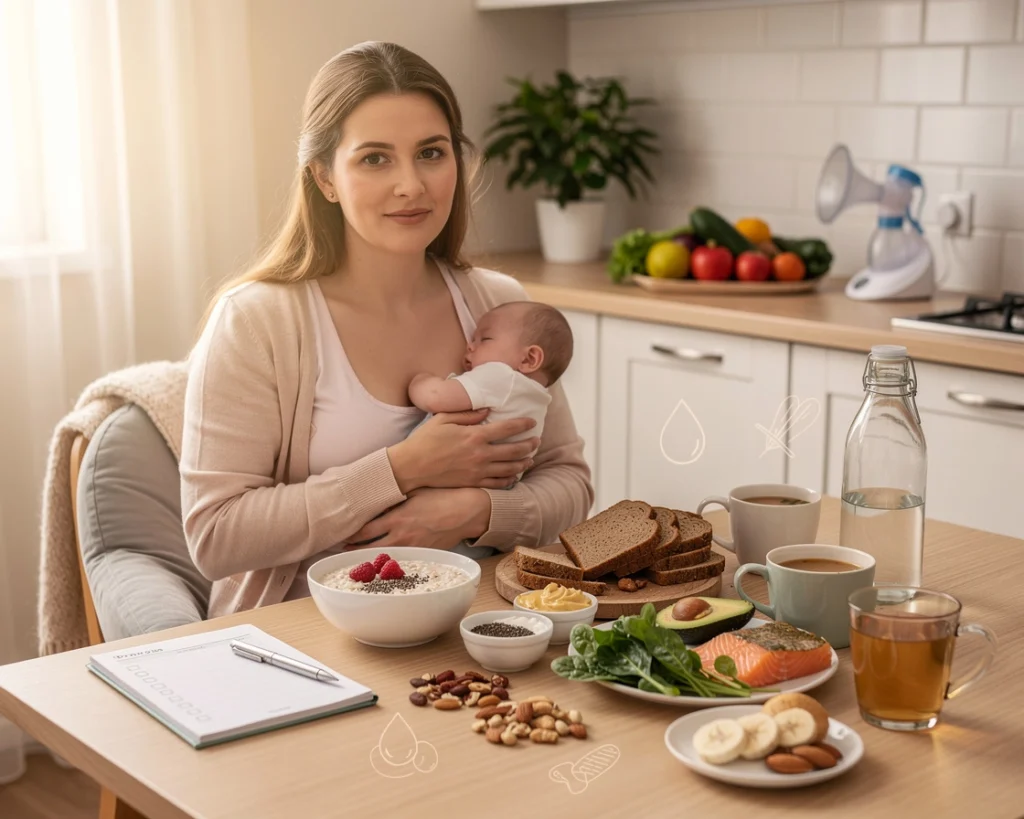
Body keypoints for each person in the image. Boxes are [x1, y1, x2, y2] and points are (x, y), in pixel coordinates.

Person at [179, 41, 594, 617]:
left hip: (475, 624)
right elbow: (215, 537)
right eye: (375, 158)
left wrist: (473, 513)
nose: (412, 185)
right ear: (325, 177)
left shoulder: (500, 306)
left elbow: (570, 484)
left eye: (431, 153)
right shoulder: (257, 320)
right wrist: (404, 468)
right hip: (303, 639)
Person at [407, 301, 574, 472]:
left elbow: (435, 397)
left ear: (529, 359)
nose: (470, 345)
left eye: (485, 339)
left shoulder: (503, 376)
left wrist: (420, 380)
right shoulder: (536, 399)